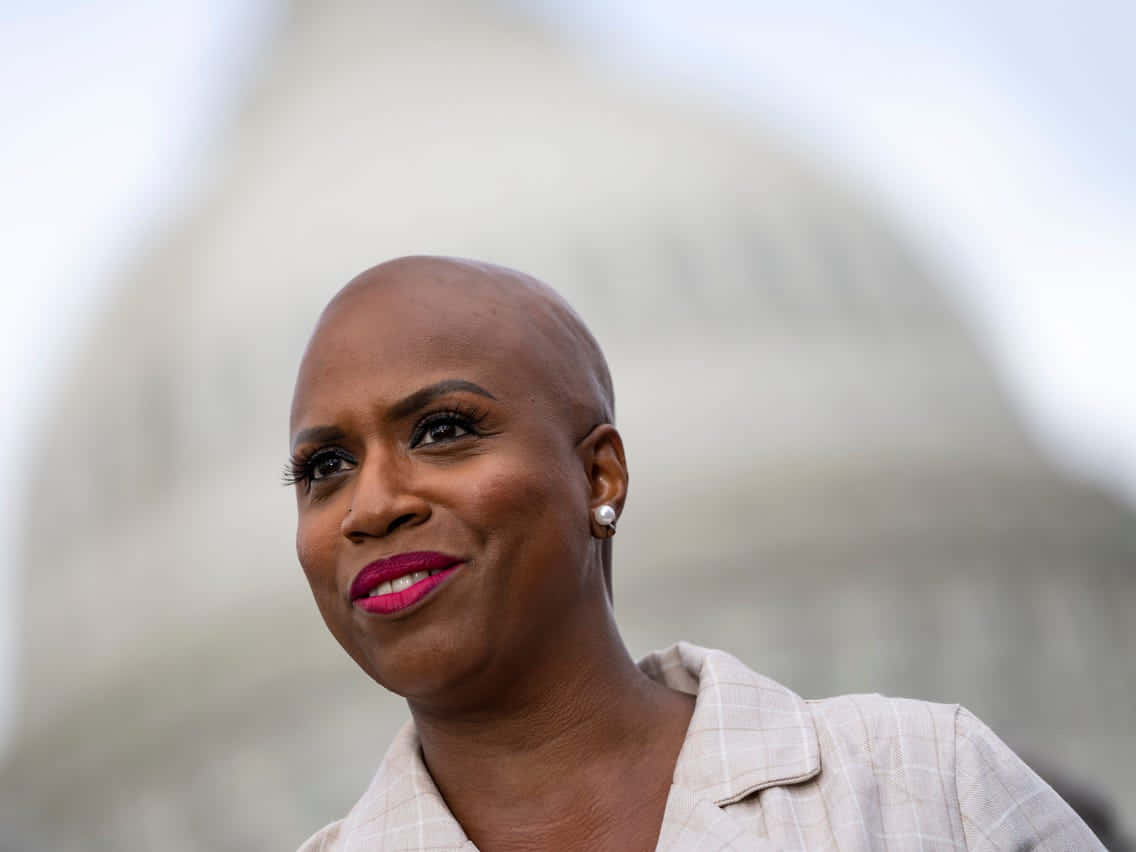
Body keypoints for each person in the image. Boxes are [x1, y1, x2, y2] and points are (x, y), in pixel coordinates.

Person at [289, 256, 1102, 851]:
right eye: (326, 467)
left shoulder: (925, 789)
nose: (374, 504)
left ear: (598, 472)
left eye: (443, 431)